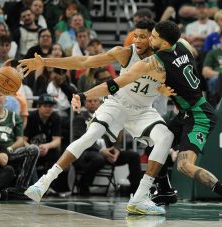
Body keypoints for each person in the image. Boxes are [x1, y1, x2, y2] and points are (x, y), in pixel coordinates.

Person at [66, 20, 222, 218]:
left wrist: (85, 95)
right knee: (153, 143)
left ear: (164, 43)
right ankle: (165, 190)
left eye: (153, 37)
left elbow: (116, 84)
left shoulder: (155, 62)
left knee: (184, 165)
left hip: (199, 115)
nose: (149, 39)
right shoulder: (182, 44)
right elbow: (192, 56)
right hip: (185, 112)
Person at [19, 20, 175, 215]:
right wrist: (44, 62)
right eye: (135, 35)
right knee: (92, 134)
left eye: (143, 36)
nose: (137, 40)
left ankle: (140, 196)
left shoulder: (165, 61)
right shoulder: (126, 52)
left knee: (166, 137)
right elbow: (84, 62)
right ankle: (45, 181)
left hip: (143, 110)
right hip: (117, 103)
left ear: (154, 38)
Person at [72, 96, 141, 196]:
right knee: (98, 158)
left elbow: (117, 134)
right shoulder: (80, 119)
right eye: (90, 101)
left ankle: (135, 190)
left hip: (108, 152)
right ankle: (84, 185)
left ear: (99, 103)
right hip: (89, 152)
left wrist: (117, 149)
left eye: (95, 101)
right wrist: (101, 150)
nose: (92, 103)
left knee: (134, 155)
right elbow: (81, 139)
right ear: (85, 104)